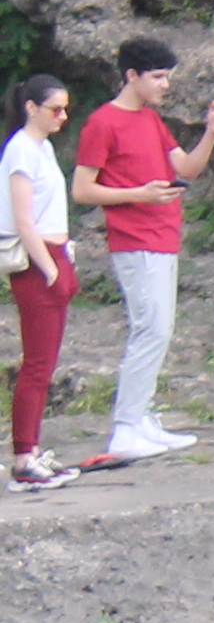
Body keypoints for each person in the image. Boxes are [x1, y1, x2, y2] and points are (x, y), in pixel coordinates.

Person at [71, 36, 214, 465]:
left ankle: (141, 420)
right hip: (135, 240)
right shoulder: (103, 123)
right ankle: (125, 429)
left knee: (159, 330)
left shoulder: (152, 120)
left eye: (167, 77)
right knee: (151, 330)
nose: (165, 85)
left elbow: (187, 169)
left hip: (163, 236)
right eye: (158, 77)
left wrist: (210, 133)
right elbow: (82, 190)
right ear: (132, 75)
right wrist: (138, 193)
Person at [6, 73, 74, 491]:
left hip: (55, 255)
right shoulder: (20, 151)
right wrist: (48, 268)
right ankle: (23, 458)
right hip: (38, 262)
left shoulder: (42, 147)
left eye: (65, 109)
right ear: (31, 108)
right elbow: (22, 218)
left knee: (45, 363)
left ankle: (32, 451)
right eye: (55, 109)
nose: (62, 117)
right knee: (37, 364)